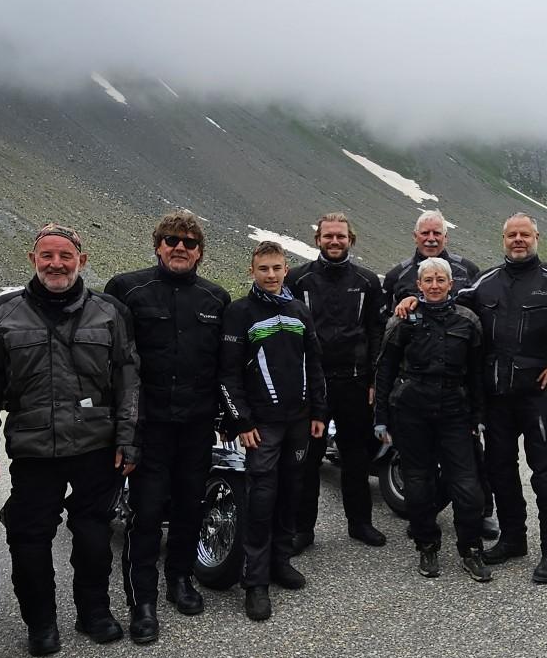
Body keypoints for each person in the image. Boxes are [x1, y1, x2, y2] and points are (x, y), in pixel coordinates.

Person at [0, 224, 141, 654]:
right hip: (33, 449)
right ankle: (40, 623)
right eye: (47, 255)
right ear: (33, 260)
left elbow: (128, 379)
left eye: (65, 255)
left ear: (81, 261)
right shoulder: (0, 314)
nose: (56, 264)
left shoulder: (110, 312)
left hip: (95, 446)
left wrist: (129, 437)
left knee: (93, 536)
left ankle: (94, 612)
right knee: (28, 538)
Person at [403, 214, 547, 583]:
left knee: (546, 474)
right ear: (503, 239)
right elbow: (448, 302)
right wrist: (414, 302)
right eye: (512, 235)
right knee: (500, 471)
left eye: (525, 234)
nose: (518, 240)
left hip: (541, 396)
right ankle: (513, 538)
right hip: (497, 398)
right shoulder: (486, 282)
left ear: (536, 237)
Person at [106, 211, 232, 623]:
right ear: (158, 245)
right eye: (172, 240)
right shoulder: (127, 289)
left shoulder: (216, 298)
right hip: (149, 423)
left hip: (197, 424)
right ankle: (142, 600)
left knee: (189, 506)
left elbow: (224, 365)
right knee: (145, 510)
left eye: (190, 243)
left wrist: (230, 416)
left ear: (200, 253)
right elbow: (112, 361)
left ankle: (180, 579)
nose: (181, 247)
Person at [218, 241, 326, 621]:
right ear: (252, 270)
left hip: (299, 421)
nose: (271, 275)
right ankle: (256, 583)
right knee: (261, 500)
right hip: (262, 425)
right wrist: (242, 421)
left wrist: (318, 411)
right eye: (263, 268)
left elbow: (313, 362)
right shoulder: (238, 312)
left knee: (290, 493)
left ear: (285, 270)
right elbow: (228, 374)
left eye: (277, 268)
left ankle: (280, 562)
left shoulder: (298, 309)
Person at [375, 257, 490, 581]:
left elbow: (477, 374)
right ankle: (427, 545)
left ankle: (470, 549)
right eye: (429, 280)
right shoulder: (403, 321)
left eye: (441, 279)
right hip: (412, 410)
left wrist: (479, 415)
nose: (435, 285)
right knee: (417, 483)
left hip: (455, 410)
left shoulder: (468, 321)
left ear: (451, 284)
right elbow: (385, 369)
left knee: (468, 487)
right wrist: (380, 416)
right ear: (419, 285)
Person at [285, 212, 387, 550]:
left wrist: (374, 377)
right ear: (318, 240)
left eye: (340, 236)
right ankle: (303, 529)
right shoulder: (298, 280)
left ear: (350, 240)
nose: (334, 241)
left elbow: (376, 331)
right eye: (328, 236)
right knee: (308, 458)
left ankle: (360, 523)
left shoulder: (368, 281)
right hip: (312, 385)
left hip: (354, 382)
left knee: (356, 456)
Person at [382, 209, 484, 303]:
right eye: (425, 233)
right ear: (415, 236)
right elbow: (383, 317)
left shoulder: (468, 270)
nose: (431, 238)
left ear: (445, 237)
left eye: (436, 233)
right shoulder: (396, 275)